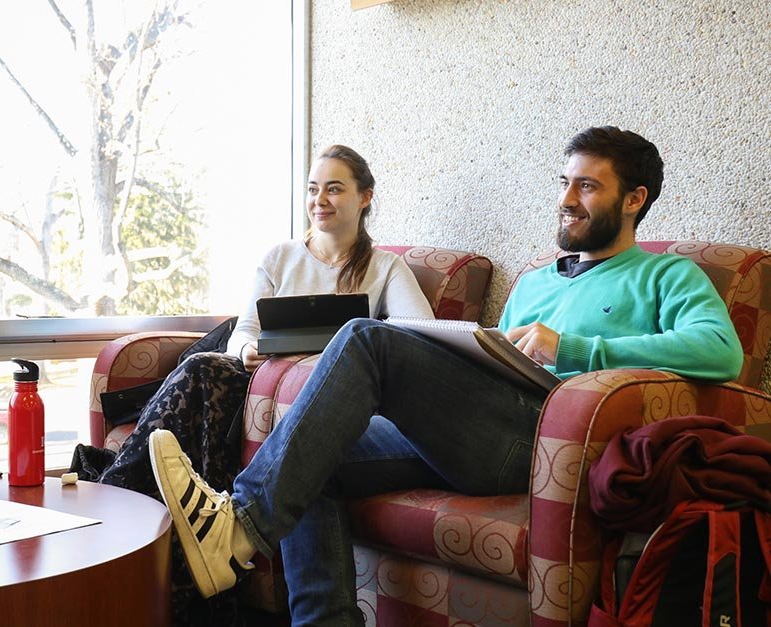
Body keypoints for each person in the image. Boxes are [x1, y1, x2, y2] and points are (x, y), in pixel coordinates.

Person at [148, 127, 745, 626]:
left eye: (587, 186)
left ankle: (240, 524)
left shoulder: (667, 276)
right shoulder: (536, 281)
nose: (567, 198)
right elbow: (496, 369)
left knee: (365, 337)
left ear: (635, 199)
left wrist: (574, 346)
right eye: (564, 182)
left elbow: (722, 352)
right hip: (477, 429)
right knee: (314, 449)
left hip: (543, 443)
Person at [96, 144, 433, 625]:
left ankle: (130, 509)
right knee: (204, 370)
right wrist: (247, 353)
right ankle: (129, 500)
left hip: (320, 398)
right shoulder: (280, 257)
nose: (320, 200)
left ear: (366, 198)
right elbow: (245, 333)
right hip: (254, 381)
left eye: (335, 189)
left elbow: (421, 336)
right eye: (314, 189)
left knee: (210, 386)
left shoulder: (385, 270)